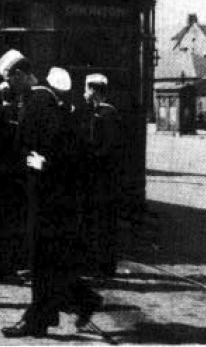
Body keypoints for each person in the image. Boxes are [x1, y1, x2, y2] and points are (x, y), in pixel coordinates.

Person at [0, 52, 98, 338]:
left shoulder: (40, 100)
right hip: (43, 191)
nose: (8, 85)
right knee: (47, 258)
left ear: (20, 74)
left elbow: (62, 146)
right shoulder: (37, 98)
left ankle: (38, 320)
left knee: (43, 258)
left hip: (48, 194)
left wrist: (44, 162)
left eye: (9, 79)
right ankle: (76, 302)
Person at [80, 73, 121, 276]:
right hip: (99, 176)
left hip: (103, 177)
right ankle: (99, 263)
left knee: (103, 221)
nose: (84, 93)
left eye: (87, 89)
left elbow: (107, 147)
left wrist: (90, 158)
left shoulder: (107, 114)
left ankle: (104, 266)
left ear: (95, 90)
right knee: (97, 220)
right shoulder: (98, 112)